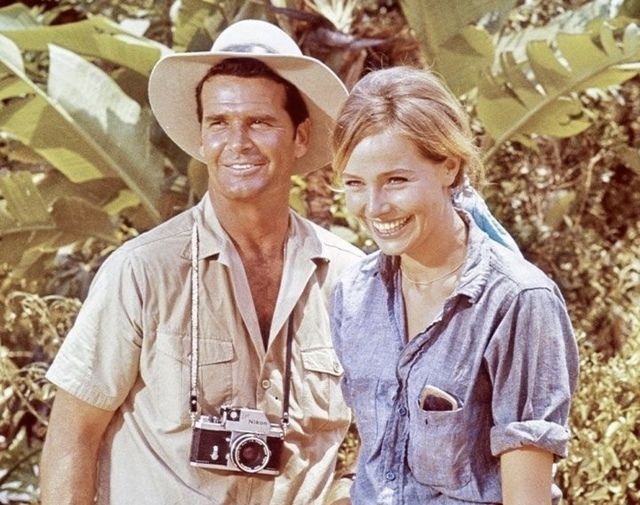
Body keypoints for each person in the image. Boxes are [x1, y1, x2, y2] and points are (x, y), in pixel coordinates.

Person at [39, 19, 364, 505]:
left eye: (259, 122)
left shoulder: (349, 279)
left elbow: (390, 431)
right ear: (201, 137)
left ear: (300, 137)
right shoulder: (144, 271)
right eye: (219, 123)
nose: (238, 142)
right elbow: (73, 435)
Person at [330, 66, 579, 505]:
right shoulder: (353, 294)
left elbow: (527, 495)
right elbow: (378, 457)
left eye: (395, 180)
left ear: (449, 165)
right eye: (355, 184)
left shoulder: (518, 300)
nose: (374, 207)